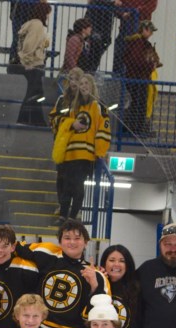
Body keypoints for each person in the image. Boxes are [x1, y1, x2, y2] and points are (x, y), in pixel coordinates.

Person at [53, 73, 111, 220]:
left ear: (92, 86)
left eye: (87, 83)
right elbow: (61, 124)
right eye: (82, 83)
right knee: (66, 187)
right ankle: (62, 218)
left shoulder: (98, 106)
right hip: (69, 153)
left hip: (85, 156)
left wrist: (100, 152)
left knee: (78, 188)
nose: (84, 86)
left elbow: (103, 129)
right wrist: (71, 124)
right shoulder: (73, 107)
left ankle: (71, 218)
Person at [121, 19, 161, 136]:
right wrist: (150, 66)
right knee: (138, 104)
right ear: (144, 29)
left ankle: (135, 128)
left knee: (138, 104)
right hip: (137, 79)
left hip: (138, 78)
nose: (151, 34)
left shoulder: (139, 42)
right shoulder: (138, 42)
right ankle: (135, 129)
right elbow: (136, 61)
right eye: (150, 31)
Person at [15, 1, 51, 127]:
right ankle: (24, 119)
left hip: (32, 64)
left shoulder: (31, 24)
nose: (48, 16)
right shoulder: (37, 25)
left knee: (35, 93)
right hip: (34, 65)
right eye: (47, 13)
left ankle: (36, 120)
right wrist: (29, 62)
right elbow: (29, 46)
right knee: (33, 93)